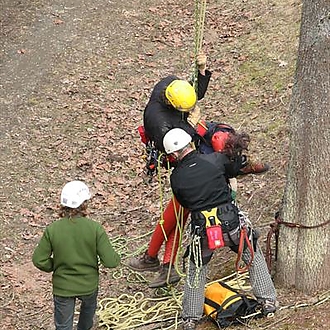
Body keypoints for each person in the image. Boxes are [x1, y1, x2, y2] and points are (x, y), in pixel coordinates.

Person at [129, 52, 269, 288]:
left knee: (220, 137)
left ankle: (160, 261)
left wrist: (202, 71)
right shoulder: (158, 122)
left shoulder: (171, 87)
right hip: (177, 153)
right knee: (180, 208)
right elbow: (180, 144)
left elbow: (195, 95)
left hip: (187, 140)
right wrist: (192, 124)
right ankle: (157, 260)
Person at [162, 128, 277, 330]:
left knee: (196, 271)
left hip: (203, 232)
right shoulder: (215, 160)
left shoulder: (176, 177)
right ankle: (267, 301)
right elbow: (235, 169)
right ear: (190, 143)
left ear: (172, 155)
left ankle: (190, 318)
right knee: (252, 255)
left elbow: (184, 201)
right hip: (230, 224)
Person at [32, 180, 121, 330]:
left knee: (63, 326)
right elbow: (111, 262)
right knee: (86, 320)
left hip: (63, 287)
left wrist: (55, 265)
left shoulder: (52, 229)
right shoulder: (95, 228)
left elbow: (38, 260)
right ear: (84, 203)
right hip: (88, 285)